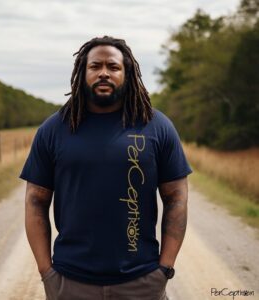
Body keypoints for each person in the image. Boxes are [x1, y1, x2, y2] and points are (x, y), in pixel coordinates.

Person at [20, 35, 192, 300]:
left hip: (141, 282)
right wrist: (48, 274)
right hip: (70, 282)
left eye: (112, 67)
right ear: (82, 72)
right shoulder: (54, 130)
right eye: (95, 66)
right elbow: (35, 201)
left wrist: (164, 269)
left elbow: (177, 197)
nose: (103, 73)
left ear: (127, 72)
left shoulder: (156, 126)